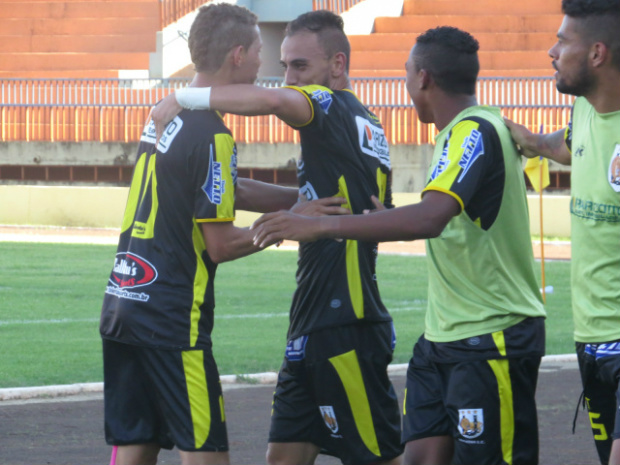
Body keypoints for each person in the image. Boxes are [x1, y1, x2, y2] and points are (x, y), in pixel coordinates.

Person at [251, 26, 548, 465]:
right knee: (417, 456)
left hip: (491, 335)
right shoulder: (453, 135)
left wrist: (322, 227)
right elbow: (428, 213)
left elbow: (429, 218)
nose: (406, 85)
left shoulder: (474, 130)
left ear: (424, 78)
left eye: (407, 74)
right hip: (442, 337)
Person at [151, 10, 403, 465]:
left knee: (377, 458)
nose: (288, 79)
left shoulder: (334, 106)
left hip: (345, 322)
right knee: (282, 458)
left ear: (338, 65)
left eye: (300, 67)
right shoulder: (360, 125)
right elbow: (292, 193)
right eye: (284, 66)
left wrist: (187, 97)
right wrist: (208, 181)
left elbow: (273, 104)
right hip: (310, 323)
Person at [99, 4, 346, 465]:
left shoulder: (162, 118)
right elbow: (221, 243)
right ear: (237, 55)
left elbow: (224, 188)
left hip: (123, 305)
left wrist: (300, 198)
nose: (263, 64)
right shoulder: (212, 132)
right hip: (173, 321)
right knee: (207, 454)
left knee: (135, 447)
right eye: (258, 51)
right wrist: (291, 227)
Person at [502, 1, 620, 463]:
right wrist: (523, 138)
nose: (552, 51)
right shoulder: (587, 114)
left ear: (596, 53)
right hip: (591, 339)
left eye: (563, 41)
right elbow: (560, 146)